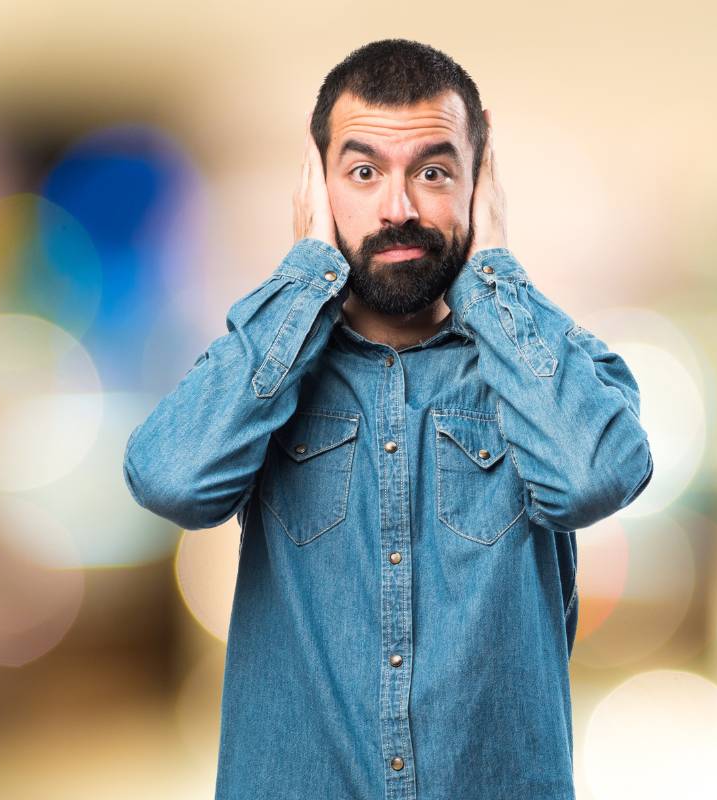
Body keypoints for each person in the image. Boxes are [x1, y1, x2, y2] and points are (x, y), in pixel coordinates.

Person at [123, 38, 653, 800]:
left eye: (434, 172)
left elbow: (594, 476)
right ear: (316, 185)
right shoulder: (266, 372)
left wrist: (494, 274)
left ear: (482, 181)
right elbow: (168, 479)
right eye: (363, 172)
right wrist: (307, 273)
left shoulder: (553, 367)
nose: (398, 208)